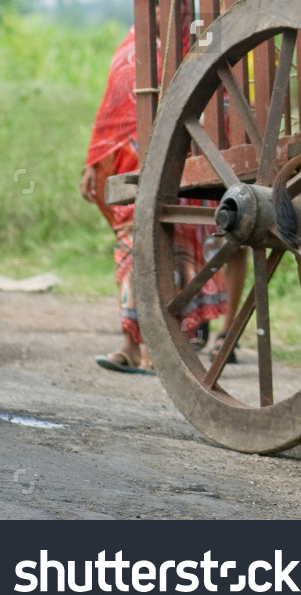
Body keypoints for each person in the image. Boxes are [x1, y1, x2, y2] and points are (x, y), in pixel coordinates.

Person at [81, 19, 229, 373]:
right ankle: (131, 345)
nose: (162, 10)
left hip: (183, 166)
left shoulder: (197, 45)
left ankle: (162, 350)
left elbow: (220, 105)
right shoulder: (131, 49)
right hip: (131, 164)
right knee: (130, 252)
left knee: (172, 258)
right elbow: (110, 109)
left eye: (170, 2)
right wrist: (93, 161)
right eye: (158, 4)